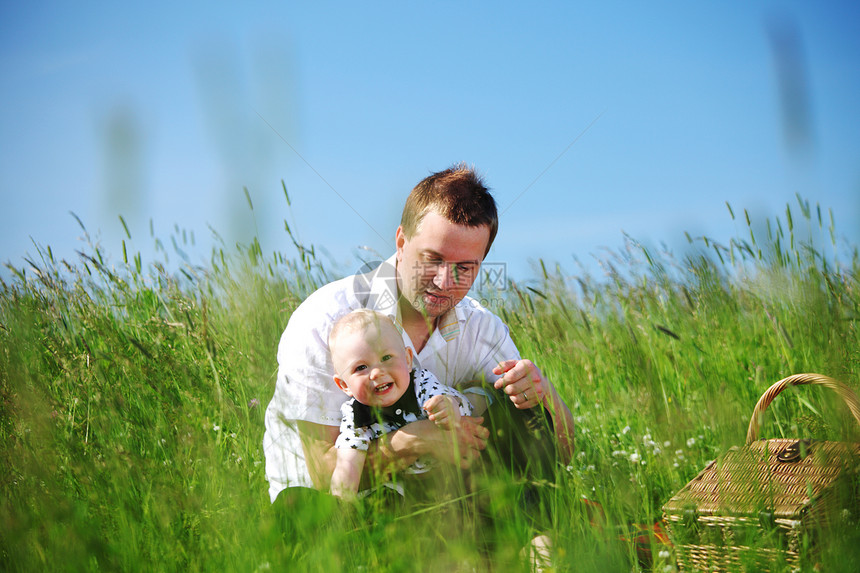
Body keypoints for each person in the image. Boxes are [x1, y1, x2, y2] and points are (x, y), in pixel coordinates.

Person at [263, 163, 575, 504]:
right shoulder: (327, 318)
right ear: (401, 241)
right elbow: (322, 472)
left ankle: (534, 540)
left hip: (435, 504)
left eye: (464, 268)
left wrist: (543, 394)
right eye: (432, 259)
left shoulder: (481, 327)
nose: (444, 282)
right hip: (327, 510)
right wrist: (413, 441)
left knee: (519, 408)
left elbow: (560, 453)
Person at [328, 309, 472, 499]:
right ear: (344, 385)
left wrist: (446, 408)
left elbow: (451, 405)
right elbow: (348, 463)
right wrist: (341, 505)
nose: (377, 372)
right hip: (407, 484)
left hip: (450, 470)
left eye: (386, 358)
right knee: (385, 496)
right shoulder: (356, 415)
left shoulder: (420, 384)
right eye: (361, 367)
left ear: (407, 359)